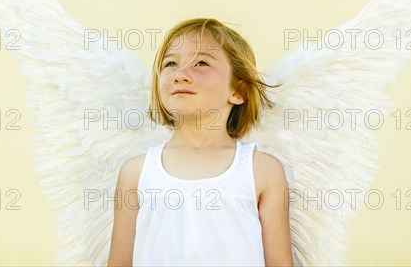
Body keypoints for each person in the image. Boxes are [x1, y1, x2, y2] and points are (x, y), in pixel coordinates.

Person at [107, 18, 294, 266]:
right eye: (170, 63)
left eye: (201, 63)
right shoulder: (135, 173)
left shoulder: (263, 170)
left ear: (239, 91)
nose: (180, 74)